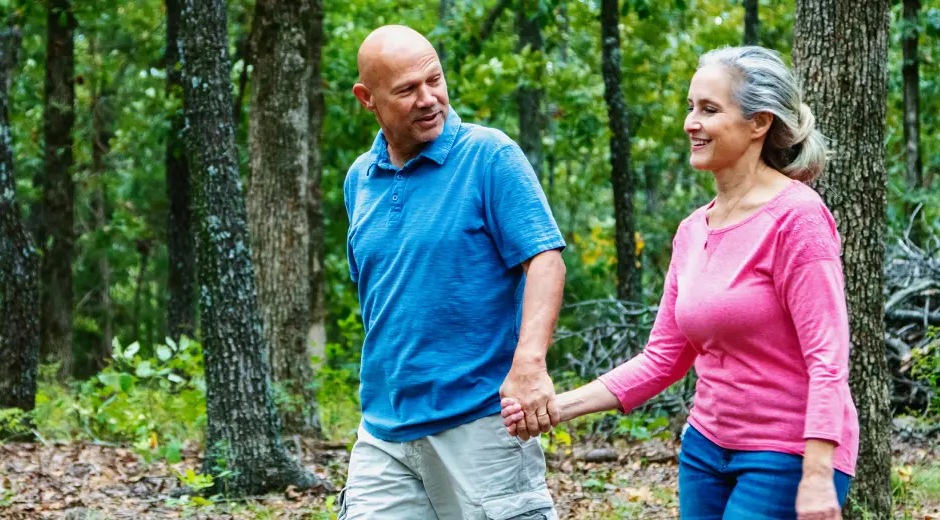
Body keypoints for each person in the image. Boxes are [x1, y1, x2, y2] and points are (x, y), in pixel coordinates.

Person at [501, 46, 858, 520]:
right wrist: (552, 409)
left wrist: (816, 474)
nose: (692, 122)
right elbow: (662, 359)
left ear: (760, 123)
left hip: (786, 454)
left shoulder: (798, 218)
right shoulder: (694, 230)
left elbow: (828, 360)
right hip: (706, 450)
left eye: (709, 110)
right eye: (691, 108)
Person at [337, 25, 567, 520]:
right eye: (406, 90)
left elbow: (545, 259)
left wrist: (530, 363)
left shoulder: (489, 156)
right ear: (367, 99)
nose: (428, 99)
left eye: (434, 80)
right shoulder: (360, 179)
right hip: (384, 432)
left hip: (481, 424)